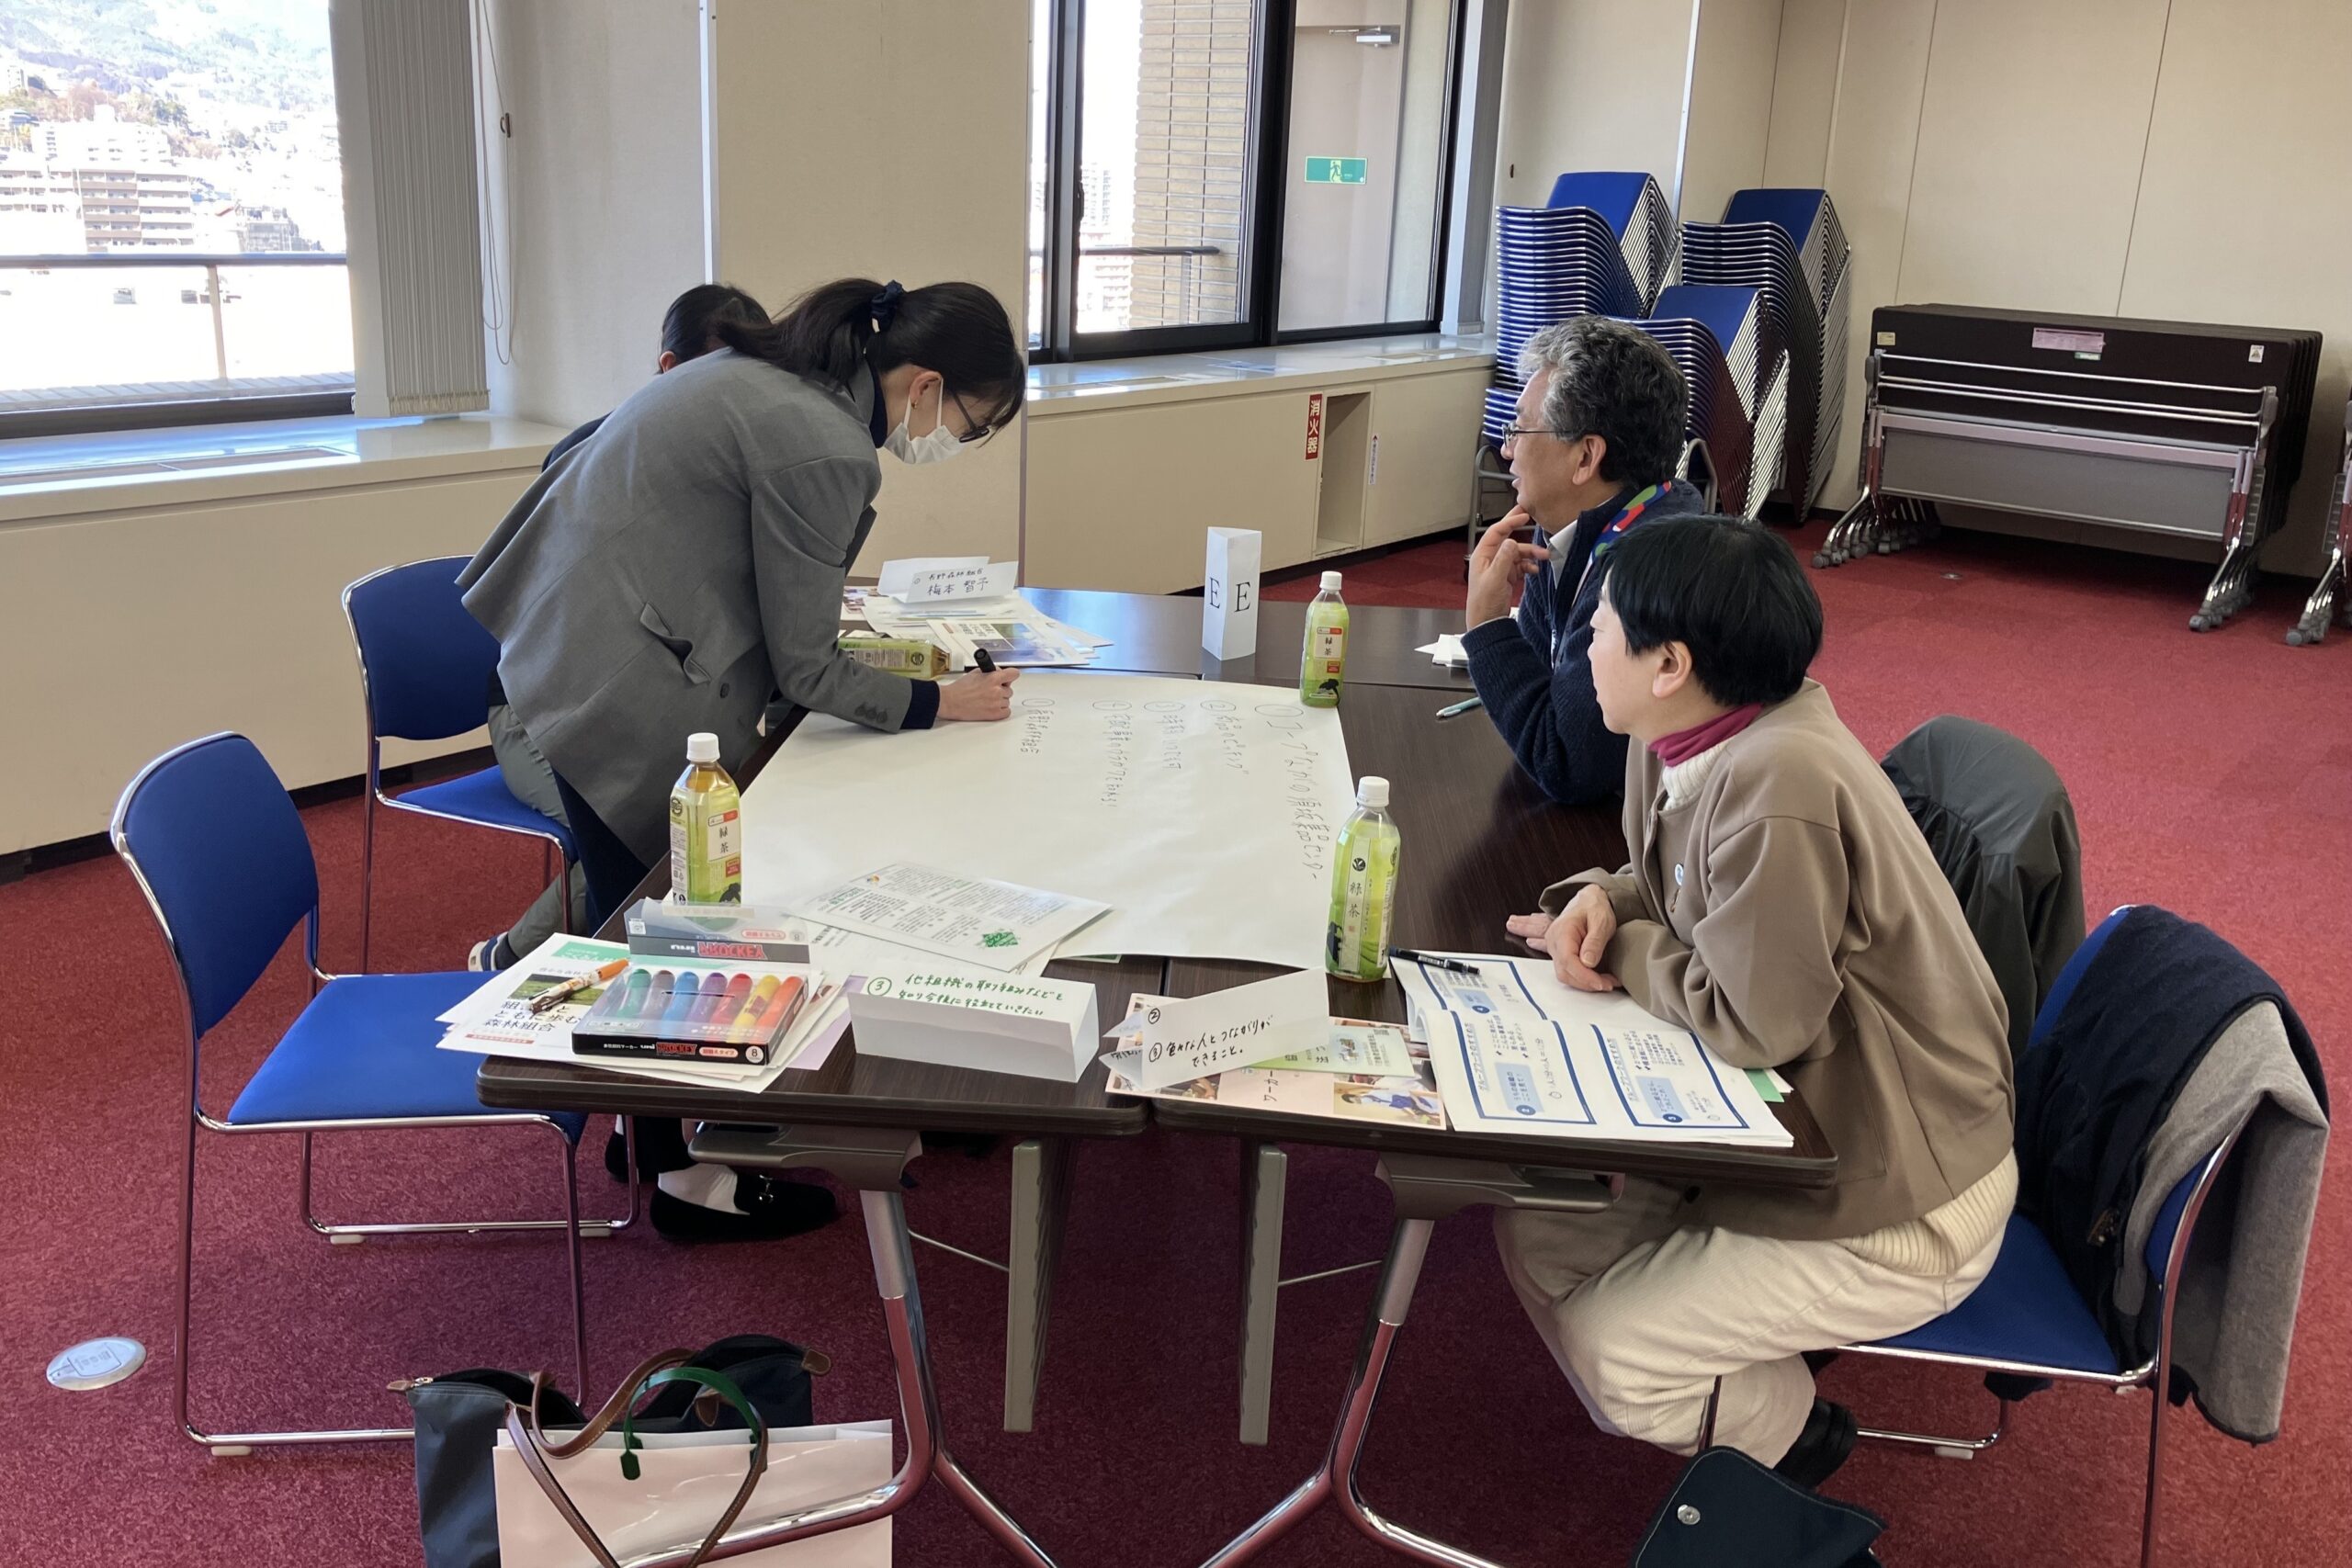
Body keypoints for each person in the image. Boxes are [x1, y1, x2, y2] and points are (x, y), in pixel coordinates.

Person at [459, 276, 1027, 1242]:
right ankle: (684, 1178)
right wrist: (938, 701)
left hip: (584, 633)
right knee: (674, 909)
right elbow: (806, 667)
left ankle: (648, 1134)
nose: (953, 442)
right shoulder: (826, 441)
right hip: (607, 674)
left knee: (654, 903)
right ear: (926, 385)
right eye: (969, 425)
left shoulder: (773, 372)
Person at [1494, 516, 2017, 1488]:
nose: (1583, 648)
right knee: (1544, 1228)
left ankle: (1792, 1443)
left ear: (1670, 665)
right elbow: (1682, 883)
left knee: (1616, 1351)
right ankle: (1719, 1406)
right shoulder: (1680, 734)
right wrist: (1606, 898)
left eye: (1599, 629)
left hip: (1905, 1193)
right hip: (1809, 1118)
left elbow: (1752, 1021)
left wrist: (1628, 946)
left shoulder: (1780, 780)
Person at [473, 281, 771, 974]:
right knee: (649, 822)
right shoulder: (594, 455)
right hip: (540, 710)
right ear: (670, 371)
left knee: (714, 809)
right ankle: (510, 959)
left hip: (640, 702)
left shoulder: (732, 460)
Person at [1462, 317, 1712, 805]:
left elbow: (1565, 763)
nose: (1506, 450)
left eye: (1519, 429)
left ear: (1585, 458)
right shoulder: (1575, 522)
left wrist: (1487, 627)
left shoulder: (1643, 569)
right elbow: (1546, 690)